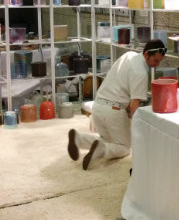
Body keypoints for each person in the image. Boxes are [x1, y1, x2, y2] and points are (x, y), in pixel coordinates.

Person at [68, 39, 166, 170]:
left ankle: (79, 139)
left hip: (97, 106)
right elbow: (133, 105)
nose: (157, 65)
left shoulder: (129, 55)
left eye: (159, 61)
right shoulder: (141, 72)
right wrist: (139, 127)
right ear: (147, 54)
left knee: (107, 141)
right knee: (124, 148)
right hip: (114, 110)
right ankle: (102, 150)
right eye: (155, 61)